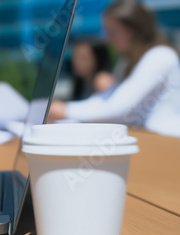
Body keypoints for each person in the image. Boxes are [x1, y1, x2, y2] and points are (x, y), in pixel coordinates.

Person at [49, 0, 180, 137]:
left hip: (169, 142)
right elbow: (106, 100)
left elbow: (118, 108)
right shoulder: (126, 61)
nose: (107, 38)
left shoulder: (160, 56)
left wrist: (65, 110)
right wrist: (63, 110)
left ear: (133, 30)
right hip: (149, 137)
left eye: (112, 31)